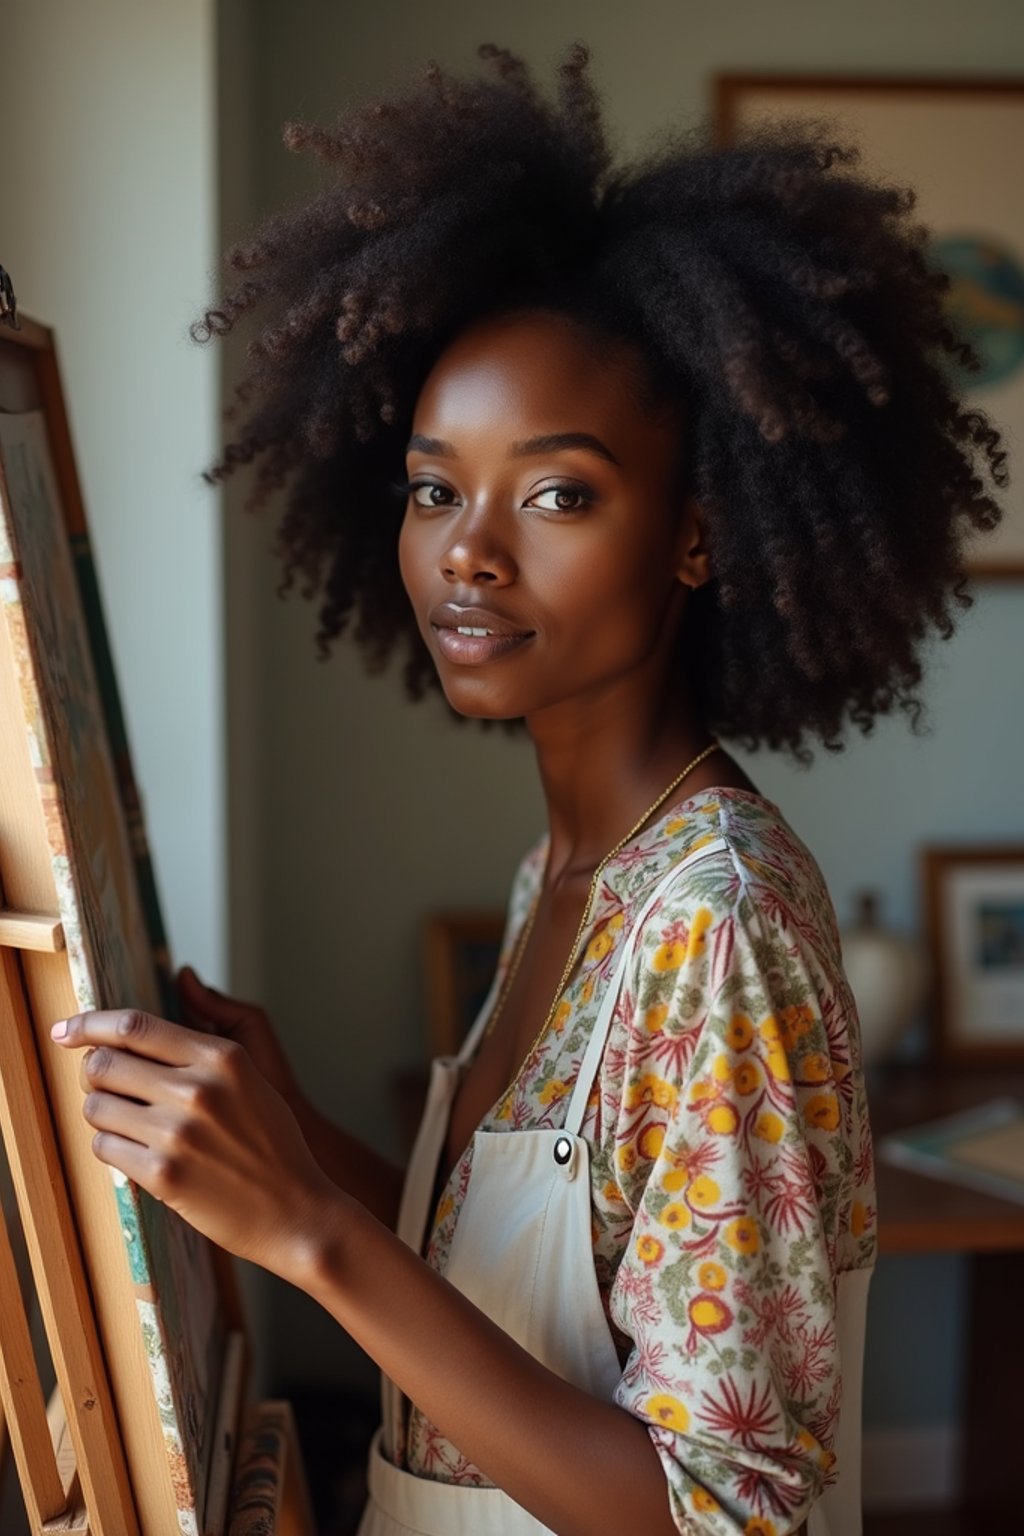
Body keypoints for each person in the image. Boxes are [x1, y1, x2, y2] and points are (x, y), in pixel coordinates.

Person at [52, 42, 1007, 1536]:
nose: (468, 553)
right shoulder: (569, 867)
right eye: (438, 489)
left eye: (557, 494)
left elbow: (725, 1508)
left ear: (699, 535)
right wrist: (298, 1138)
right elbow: (525, 1302)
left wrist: (304, 1227)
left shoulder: (718, 925)